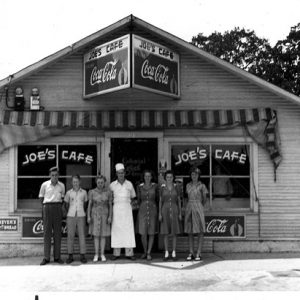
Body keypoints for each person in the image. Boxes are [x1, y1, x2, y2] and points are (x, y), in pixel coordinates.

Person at [39, 166, 65, 265]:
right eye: (52, 175)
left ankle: (57, 257)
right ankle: (46, 257)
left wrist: (58, 207)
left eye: (56, 175)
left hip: (58, 208)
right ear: (50, 175)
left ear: (58, 175)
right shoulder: (44, 185)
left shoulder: (62, 185)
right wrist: (46, 207)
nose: (54, 177)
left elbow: (62, 198)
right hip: (47, 208)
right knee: (47, 233)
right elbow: (41, 198)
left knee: (58, 233)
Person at [110, 163, 136, 260]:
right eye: (119, 173)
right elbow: (110, 199)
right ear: (116, 174)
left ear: (124, 173)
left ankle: (129, 253)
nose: (121, 175)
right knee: (116, 230)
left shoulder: (129, 184)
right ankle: (116, 254)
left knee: (128, 230)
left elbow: (133, 197)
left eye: (122, 173)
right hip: (116, 209)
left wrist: (131, 206)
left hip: (127, 209)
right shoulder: (112, 185)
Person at [184, 167, 208, 261]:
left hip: (198, 206)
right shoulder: (188, 185)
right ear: (190, 175)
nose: (194, 176)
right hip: (189, 207)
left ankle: (198, 252)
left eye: (196, 174)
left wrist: (199, 205)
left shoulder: (202, 186)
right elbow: (186, 197)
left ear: (198, 175)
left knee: (200, 231)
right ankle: (191, 252)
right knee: (190, 231)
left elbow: (205, 199)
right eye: (193, 174)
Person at [87, 175, 112, 262]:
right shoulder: (92, 192)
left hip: (105, 214)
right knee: (96, 236)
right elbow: (89, 205)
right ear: (96, 183)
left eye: (102, 182)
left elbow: (110, 205)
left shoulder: (108, 192)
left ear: (104, 182)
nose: (100, 184)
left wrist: (110, 216)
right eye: (98, 182)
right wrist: (88, 216)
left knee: (103, 235)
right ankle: (96, 254)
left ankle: (102, 254)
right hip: (95, 214)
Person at [64, 174, 88, 264]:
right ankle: (70, 255)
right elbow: (66, 205)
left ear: (80, 182)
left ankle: (82, 255)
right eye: (74, 182)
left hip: (81, 215)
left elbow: (85, 204)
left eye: (77, 181)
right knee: (70, 236)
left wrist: (81, 211)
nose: (75, 183)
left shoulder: (84, 192)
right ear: (71, 182)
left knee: (82, 235)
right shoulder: (68, 193)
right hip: (70, 215)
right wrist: (70, 212)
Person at [159, 170, 182, 261]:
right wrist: (160, 213)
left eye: (171, 177)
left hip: (174, 208)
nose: (169, 179)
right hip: (165, 209)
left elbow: (179, 200)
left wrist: (180, 213)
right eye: (167, 177)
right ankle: (166, 252)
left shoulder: (176, 187)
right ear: (165, 178)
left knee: (174, 232)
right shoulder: (162, 187)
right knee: (165, 232)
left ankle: (173, 252)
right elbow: (160, 200)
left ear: (173, 178)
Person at [136, 170, 159, 261]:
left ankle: (149, 252)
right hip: (142, 209)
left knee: (151, 231)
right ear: (144, 177)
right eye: (146, 176)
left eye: (149, 176)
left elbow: (158, 198)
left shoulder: (155, 186)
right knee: (143, 232)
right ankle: (145, 251)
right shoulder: (140, 187)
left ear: (151, 177)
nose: (147, 178)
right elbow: (138, 199)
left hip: (153, 209)